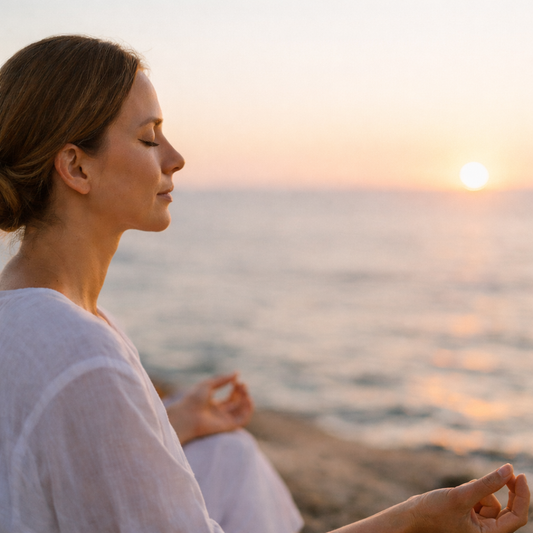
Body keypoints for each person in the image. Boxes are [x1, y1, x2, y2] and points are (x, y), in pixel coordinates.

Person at [0, 35, 528, 533]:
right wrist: (414, 519)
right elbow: (77, 390)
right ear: (76, 167)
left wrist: (166, 420)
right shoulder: (84, 354)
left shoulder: (28, 312)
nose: (175, 158)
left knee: (229, 455)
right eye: (147, 138)